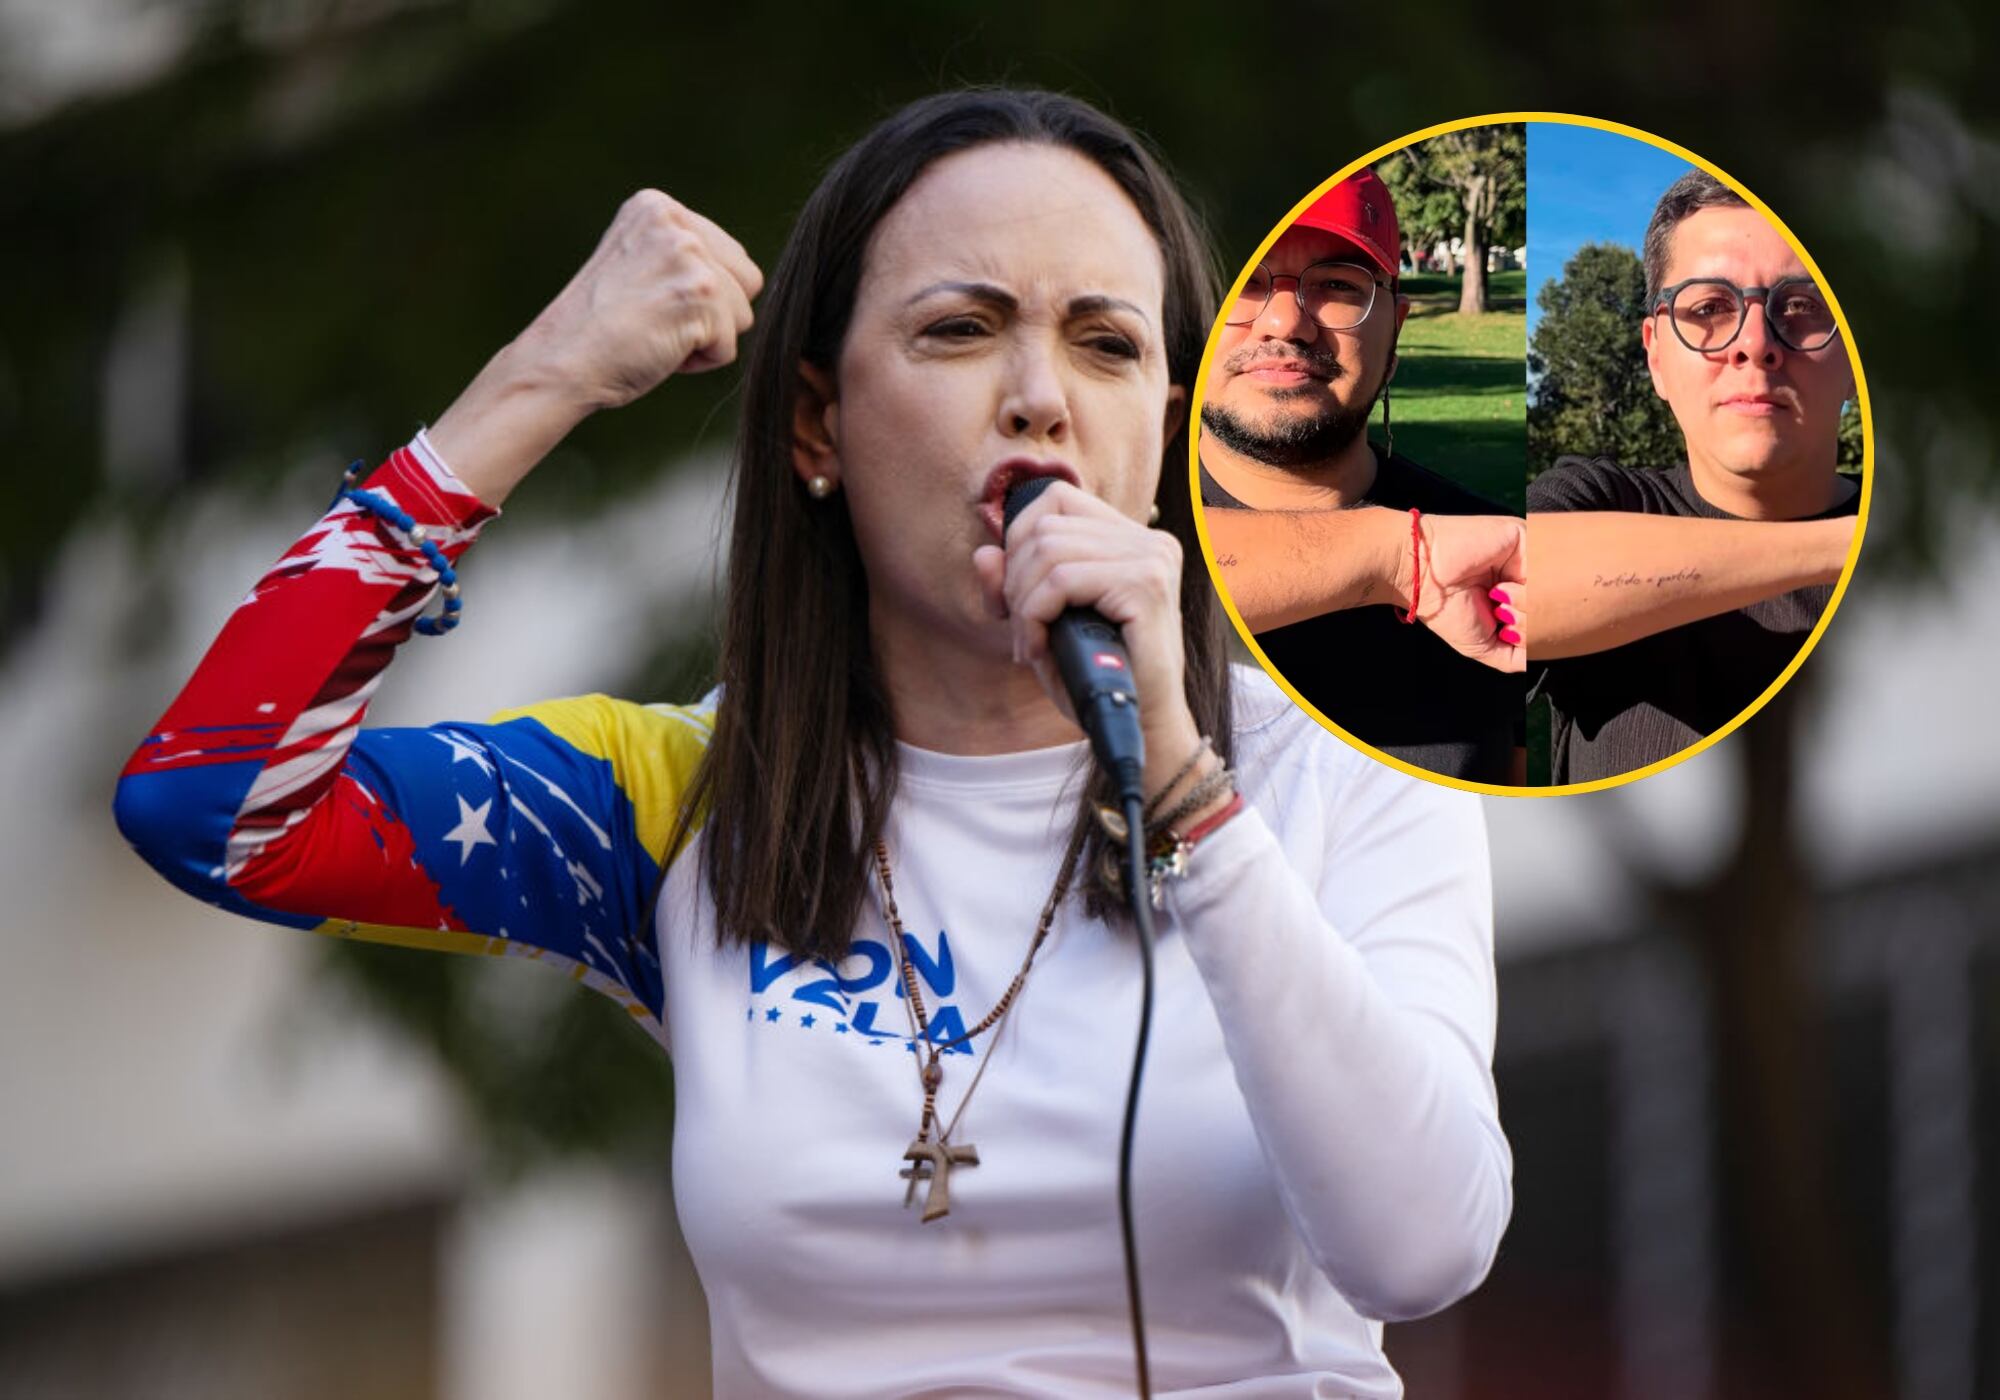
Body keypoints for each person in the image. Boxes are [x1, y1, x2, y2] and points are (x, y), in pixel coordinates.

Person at [113, 89, 1510, 1397]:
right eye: (959, 329)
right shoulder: (693, 796)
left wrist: (1187, 788)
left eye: (1107, 343)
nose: (1039, 394)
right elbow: (211, 802)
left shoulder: (1343, 759)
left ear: (1168, 425)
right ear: (815, 423)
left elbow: (1424, 1249)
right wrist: (541, 379)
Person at [1526, 169, 1861, 785]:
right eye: (1708, 308)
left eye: (1801, 306)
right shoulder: (1601, 503)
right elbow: (1514, 578)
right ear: (1655, 355)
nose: (1755, 343)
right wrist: (1854, 544)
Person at [1197, 169, 1527, 785]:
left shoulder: (1495, 559)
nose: (1285, 323)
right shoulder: (1115, 507)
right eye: (1244, 282)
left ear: (1395, 329)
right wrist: (1405, 558)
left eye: (1336, 285)